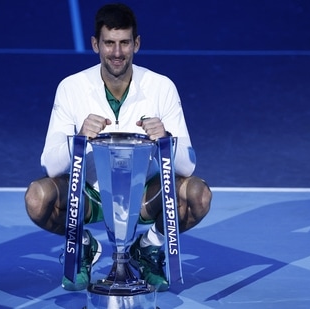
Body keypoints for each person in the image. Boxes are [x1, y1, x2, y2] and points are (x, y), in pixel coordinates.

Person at [25, 3, 211, 292]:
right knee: (37, 199)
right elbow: (50, 165)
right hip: (89, 196)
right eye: (109, 43)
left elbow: (188, 166)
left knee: (198, 195)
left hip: (143, 196)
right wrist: (79, 139)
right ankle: (83, 244)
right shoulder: (70, 88)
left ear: (136, 44)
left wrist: (166, 138)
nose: (116, 52)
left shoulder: (162, 87)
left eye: (124, 43)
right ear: (95, 44)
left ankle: (148, 247)